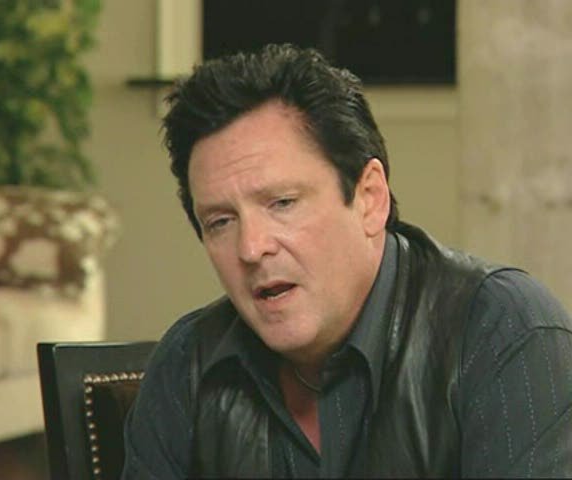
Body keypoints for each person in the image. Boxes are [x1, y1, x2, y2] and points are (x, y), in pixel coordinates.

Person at [121, 44, 572, 478]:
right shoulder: (188, 365)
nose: (251, 248)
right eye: (220, 221)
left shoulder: (501, 329)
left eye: (282, 203)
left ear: (369, 198)